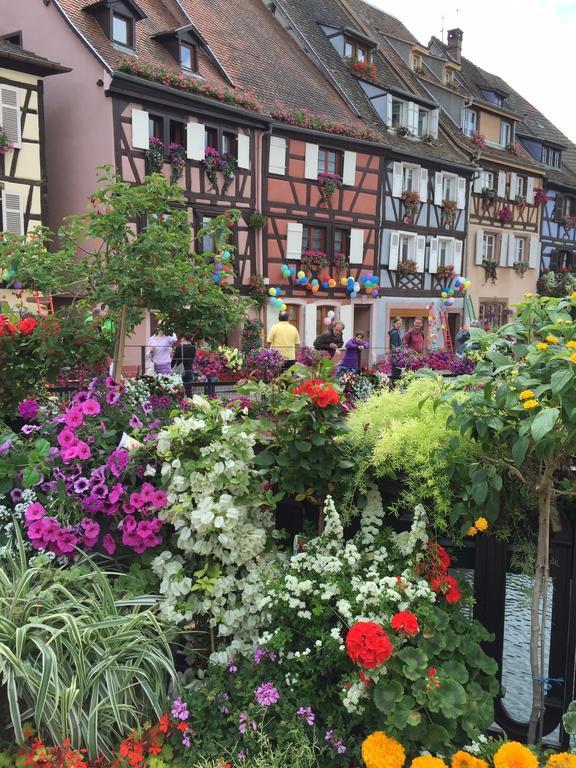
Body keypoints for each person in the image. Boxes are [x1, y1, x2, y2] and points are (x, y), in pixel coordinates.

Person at [388, 317, 403, 386]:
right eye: (397, 324)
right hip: (396, 357)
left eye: (400, 324)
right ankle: (394, 387)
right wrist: (402, 348)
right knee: (396, 374)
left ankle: (394, 386)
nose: (399, 325)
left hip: (396, 356)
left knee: (396, 373)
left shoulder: (397, 332)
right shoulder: (394, 333)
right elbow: (394, 347)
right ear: (394, 324)